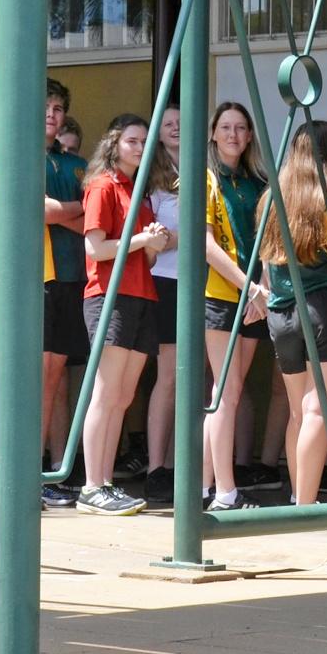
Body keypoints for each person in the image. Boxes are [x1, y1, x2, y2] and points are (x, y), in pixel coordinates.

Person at [75, 113, 173, 515]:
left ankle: (106, 481)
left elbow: (144, 257)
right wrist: (140, 240)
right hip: (108, 295)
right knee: (106, 391)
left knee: (123, 395)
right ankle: (91, 484)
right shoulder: (102, 186)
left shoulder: (138, 191)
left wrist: (155, 242)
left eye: (145, 141)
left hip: (140, 294)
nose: (139, 147)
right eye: (133, 140)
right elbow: (95, 249)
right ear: (115, 144)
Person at [258, 120, 327, 511]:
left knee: (299, 412)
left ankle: (298, 497)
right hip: (323, 311)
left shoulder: (271, 198)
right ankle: (306, 504)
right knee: (319, 410)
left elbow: (265, 263)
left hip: (281, 314)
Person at [198, 101, 274, 509]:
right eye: (225, 127)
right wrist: (249, 289)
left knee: (232, 390)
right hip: (220, 295)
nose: (233, 134)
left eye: (240, 128)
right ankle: (225, 491)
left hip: (253, 298)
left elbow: (266, 242)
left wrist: (260, 289)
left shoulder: (257, 180)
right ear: (213, 133)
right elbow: (206, 245)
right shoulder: (206, 178)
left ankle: (209, 488)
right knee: (224, 392)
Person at [41, 82, 90, 508]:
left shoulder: (76, 164)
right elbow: (41, 212)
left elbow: (95, 214)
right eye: (45, 107)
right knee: (42, 379)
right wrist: (67, 212)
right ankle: (31, 472)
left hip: (76, 276)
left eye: (58, 108)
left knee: (59, 381)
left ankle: (56, 470)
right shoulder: (21, 154)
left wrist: (62, 214)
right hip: (39, 278)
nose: (52, 115)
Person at [140, 104, 185, 497]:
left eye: (181, 123)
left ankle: (177, 464)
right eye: (168, 124)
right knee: (168, 378)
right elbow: (153, 239)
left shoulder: (207, 172)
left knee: (199, 381)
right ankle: (156, 468)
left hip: (205, 286)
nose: (175, 128)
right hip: (165, 283)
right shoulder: (149, 179)